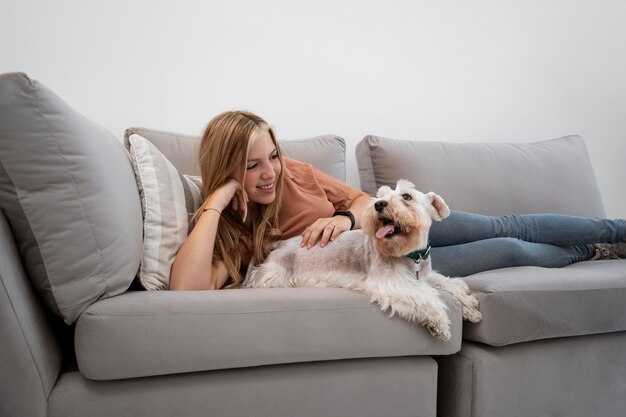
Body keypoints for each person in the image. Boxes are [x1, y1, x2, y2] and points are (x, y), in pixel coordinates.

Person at [170, 110, 626, 290]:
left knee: (507, 224)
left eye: (272, 155)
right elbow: (185, 289)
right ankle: (588, 252)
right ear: (226, 167)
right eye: (251, 165)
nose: (270, 172)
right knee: (509, 250)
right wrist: (218, 198)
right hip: (388, 264)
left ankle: (615, 231)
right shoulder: (231, 235)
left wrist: (349, 218)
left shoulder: (296, 174)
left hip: (389, 226)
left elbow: (360, 197)